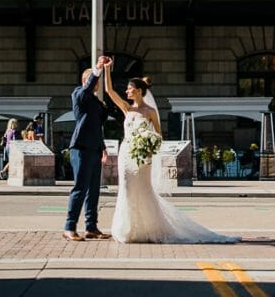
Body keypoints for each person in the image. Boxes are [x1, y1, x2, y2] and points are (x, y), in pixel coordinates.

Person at [103, 61, 239, 244]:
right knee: (126, 188)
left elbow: (158, 135)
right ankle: (128, 229)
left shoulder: (150, 111)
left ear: (138, 91)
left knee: (142, 190)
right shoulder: (127, 109)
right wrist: (106, 70)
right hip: (126, 153)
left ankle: (149, 228)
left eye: (129, 89)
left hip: (143, 156)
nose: (126, 92)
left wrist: (147, 145)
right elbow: (109, 91)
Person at [62, 55, 112, 241]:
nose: (96, 84)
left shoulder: (97, 103)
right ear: (86, 81)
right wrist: (98, 69)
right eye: (94, 80)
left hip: (94, 148)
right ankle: (69, 227)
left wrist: (103, 148)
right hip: (81, 148)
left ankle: (91, 227)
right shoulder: (79, 94)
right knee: (80, 187)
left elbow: (97, 127)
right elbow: (87, 88)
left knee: (93, 189)